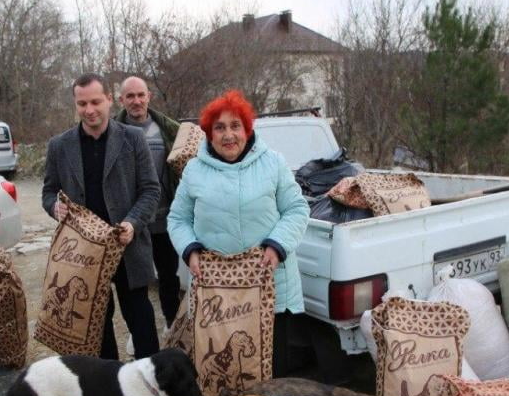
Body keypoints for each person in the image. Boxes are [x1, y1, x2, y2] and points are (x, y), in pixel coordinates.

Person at [167, 89, 309, 377]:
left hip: (270, 287)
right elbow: (177, 218)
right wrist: (190, 249)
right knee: (226, 368)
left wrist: (276, 245)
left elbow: (296, 209)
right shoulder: (194, 170)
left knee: (273, 370)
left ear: (247, 129)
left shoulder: (274, 163)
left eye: (235, 126)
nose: (228, 135)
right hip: (218, 293)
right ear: (209, 134)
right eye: (219, 128)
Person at [42, 73, 161, 360]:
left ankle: (152, 378)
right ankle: (108, 380)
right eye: (82, 103)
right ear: (75, 104)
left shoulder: (132, 139)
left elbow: (150, 190)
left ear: (109, 99)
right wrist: (54, 207)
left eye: (95, 101)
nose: (89, 109)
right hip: (85, 253)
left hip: (127, 246)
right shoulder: (59, 146)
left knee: (139, 315)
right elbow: (48, 192)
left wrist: (132, 223)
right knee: (97, 319)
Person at [114, 76, 182, 329]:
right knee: (137, 279)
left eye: (141, 95)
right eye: (130, 96)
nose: (136, 101)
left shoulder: (168, 129)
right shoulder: (113, 132)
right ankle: (138, 328)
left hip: (165, 218)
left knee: (168, 276)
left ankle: (171, 323)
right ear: (122, 100)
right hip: (133, 221)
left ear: (149, 96)